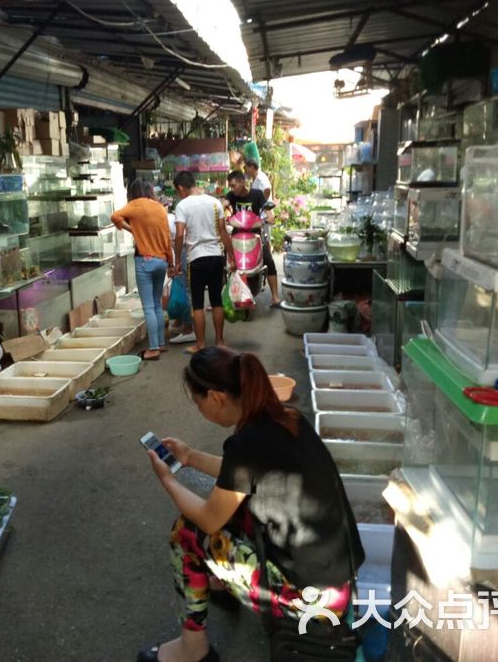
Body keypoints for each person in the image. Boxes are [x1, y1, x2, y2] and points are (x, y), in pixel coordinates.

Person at [139, 347, 364, 662]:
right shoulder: (287, 418)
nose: (199, 408)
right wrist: (190, 458)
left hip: (309, 602)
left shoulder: (247, 444)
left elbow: (208, 519)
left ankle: (192, 649)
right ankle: (219, 583)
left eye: (198, 401)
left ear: (216, 397)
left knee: (186, 533)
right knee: (239, 507)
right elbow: (243, 475)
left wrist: (168, 480)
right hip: (341, 581)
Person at [173, 172, 236, 355]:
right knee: (216, 301)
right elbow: (224, 232)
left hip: (196, 259)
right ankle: (220, 341)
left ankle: (200, 344)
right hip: (217, 257)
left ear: (181, 188)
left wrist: (178, 260)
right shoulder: (215, 202)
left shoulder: (182, 205)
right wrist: (231, 256)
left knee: (198, 304)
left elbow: (179, 235)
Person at [111, 179, 173, 361]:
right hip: (161, 261)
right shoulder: (160, 208)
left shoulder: (135, 205)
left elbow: (115, 217)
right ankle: (161, 343)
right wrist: (170, 262)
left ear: (133, 192)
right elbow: (167, 238)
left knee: (148, 307)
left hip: (144, 261)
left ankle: (153, 348)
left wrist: (132, 230)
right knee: (156, 305)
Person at [225, 170, 282, 308]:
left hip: (255, 235)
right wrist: (222, 207)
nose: (232, 189)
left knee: (268, 260)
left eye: (234, 185)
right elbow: (225, 202)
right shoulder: (231, 195)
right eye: (230, 186)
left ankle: (275, 297)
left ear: (242, 182)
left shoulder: (256, 194)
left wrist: (269, 214)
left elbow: (266, 207)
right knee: (224, 263)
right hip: (237, 236)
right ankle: (222, 297)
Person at [165, 206, 195, 344]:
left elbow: (178, 237)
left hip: (181, 251)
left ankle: (188, 329)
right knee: (183, 288)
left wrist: (175, 262)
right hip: (183, 251)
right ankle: (181, 321)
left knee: (184, 289)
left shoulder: (167, 218)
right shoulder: (168, 217)